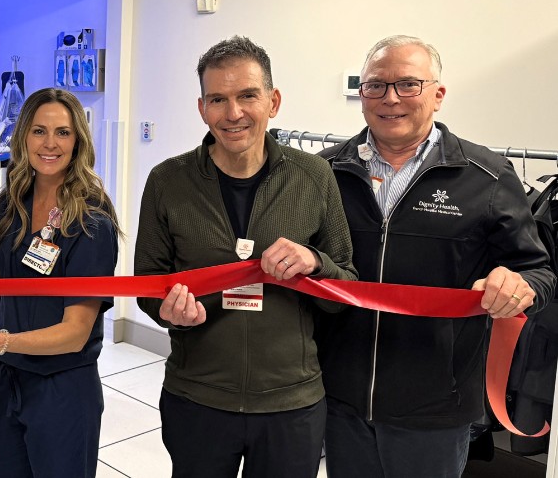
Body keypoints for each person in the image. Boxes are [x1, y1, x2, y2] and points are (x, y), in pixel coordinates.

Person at [317, 35, 556, 478]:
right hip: (339, 400)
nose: (390, 98)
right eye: (375, 85)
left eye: (408, 84)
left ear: (438, 94)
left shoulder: (487, 177)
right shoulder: (323, 171)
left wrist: (517, 285)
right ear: (362, 94)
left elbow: (537, 271)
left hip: (435, 407)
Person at [133, 36, 357, 478]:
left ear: (273, 102)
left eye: (247, 96)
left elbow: (346, 286)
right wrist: (169, 311)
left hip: (290, 403)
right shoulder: (167, 181)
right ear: (202, 108)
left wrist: (316, 263)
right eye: (218, 99)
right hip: (197, 397)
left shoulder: (314, 175)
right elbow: (148, 285)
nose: (233, 113)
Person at [0, 88, 120, 477]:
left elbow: (75, 334)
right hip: (4, 377)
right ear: (23, 138)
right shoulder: (9, 205)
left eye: (63, 132)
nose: (50, 144)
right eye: (38, 131)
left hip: (61, 388)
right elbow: (3, 285)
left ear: (78, 141)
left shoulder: (91, 223)